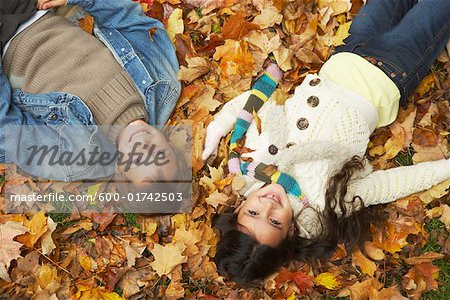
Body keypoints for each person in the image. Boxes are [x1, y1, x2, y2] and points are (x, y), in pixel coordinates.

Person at [202, 0, 450, 284]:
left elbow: (256, 106)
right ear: (291, 232)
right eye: (274, 221)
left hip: (347, 52)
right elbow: (389, 185)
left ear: (237, 210)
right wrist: (446, 169)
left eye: (254, 212)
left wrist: (220, 124)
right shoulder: (325, 203)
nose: (269, 205)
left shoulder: (250, 163)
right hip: (390, 71)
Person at [0, 0, 189, 189]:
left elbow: (7, 129)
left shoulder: (75, 159)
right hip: (37, 10)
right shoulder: (162, 86)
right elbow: (130, 21)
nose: (146, 148)